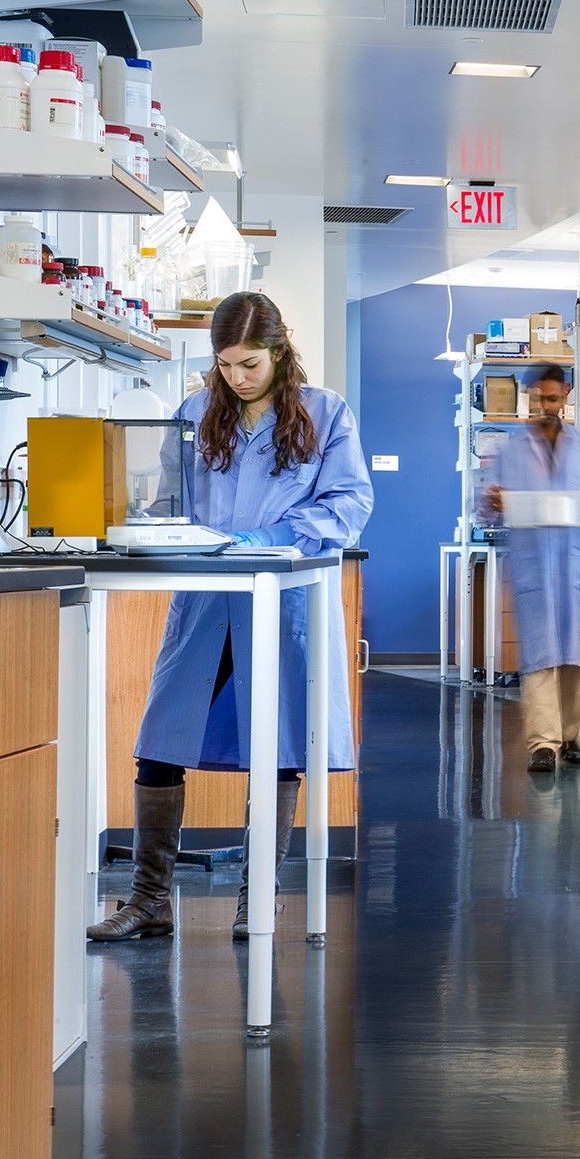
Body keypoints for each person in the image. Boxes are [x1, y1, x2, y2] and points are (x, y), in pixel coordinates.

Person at [88, 292, 374, 943]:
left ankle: (258, 900)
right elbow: (165, 500)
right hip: (206, 598)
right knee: (159, 742)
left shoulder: (325, 413)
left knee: (275, 746)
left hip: (283, 598)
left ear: (277, 351)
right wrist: (153, 531)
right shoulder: (195, 412)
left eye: (248, 363)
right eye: (225, 365)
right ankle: (148, 901)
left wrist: (271, 537)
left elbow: (351, 501)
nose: (237, 377)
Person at [479, 367, 580, 774]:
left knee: (575, 656)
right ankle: (543, 744)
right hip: (533, 566)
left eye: (552, 399)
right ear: (528, 397)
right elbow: (486, 506)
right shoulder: (511, 451)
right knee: (541, 656)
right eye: (537, 399)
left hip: (578, 563)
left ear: (565, 397)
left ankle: (572, 737)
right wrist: (491, 501)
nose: (544, 407)